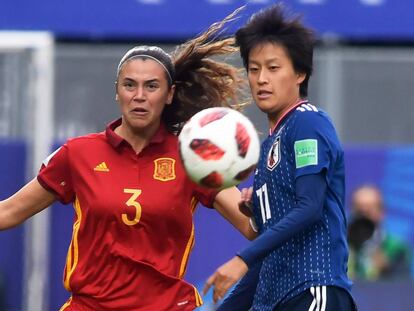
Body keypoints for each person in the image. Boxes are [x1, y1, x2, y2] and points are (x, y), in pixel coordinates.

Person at [0, 8, 257, 311]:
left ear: (169, 94)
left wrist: (255, 206)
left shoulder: (192, 155)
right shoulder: (78, 153)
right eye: (130, 85)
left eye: (151, 86)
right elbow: (8, 212)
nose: (139, 95)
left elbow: (251, 229)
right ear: (117, 92)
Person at [203, 4, 356, 310]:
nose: (261, 79)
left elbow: (310, 207)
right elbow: (272, 249)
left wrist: (240, 260)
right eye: (254, 68)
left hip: (314, 290)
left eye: (273, 68)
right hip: (278, 296)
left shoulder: (308, 122)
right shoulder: (273, 142)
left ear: (300, 73)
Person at [347, 185, 411, 281]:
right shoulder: (337, 246)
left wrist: (386, 269)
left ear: (381, 212)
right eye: (359, 209)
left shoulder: (395, 249)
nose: (364, 215)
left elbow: (402, 289)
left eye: (369, 209)